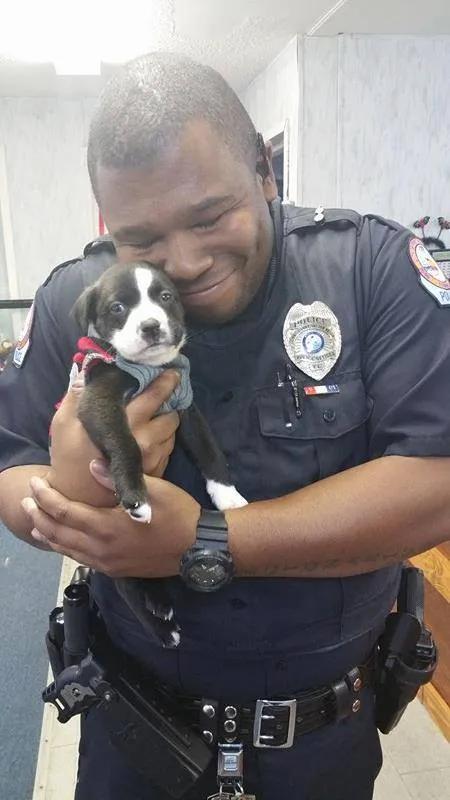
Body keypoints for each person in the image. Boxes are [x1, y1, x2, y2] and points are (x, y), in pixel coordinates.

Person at [0, 52, 449, 800]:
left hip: (323, 738)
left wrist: (204, 541)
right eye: (142, 238)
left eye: (210, 216)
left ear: (267, 179)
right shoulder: (79, 296)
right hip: (133, 729)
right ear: (109, 225)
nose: (182, 261)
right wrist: (62, 496)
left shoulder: (372, 272)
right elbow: (9, 463)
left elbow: (437, 484)